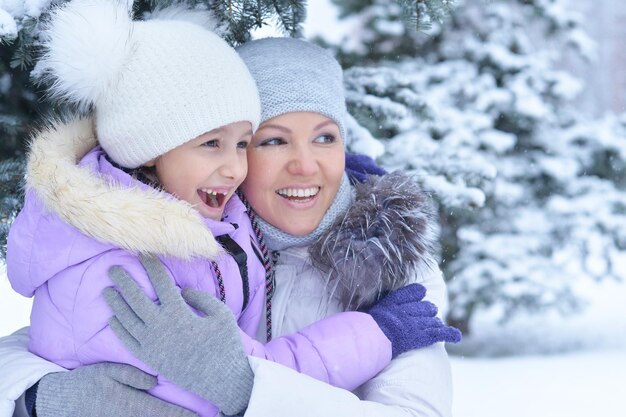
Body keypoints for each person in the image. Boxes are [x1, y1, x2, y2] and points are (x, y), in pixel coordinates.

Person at [1, 3, 459, 417]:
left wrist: (245, 389)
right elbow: (55, 333)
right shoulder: (199, 235)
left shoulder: (390, 263)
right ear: (157, 149)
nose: (305, 165)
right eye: (273, 141)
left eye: (325, 137)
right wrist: (43, 397)